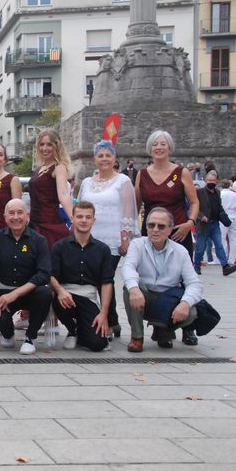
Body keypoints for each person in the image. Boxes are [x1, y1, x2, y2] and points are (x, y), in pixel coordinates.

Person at [78, 140, 139, 339]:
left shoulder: (123, 181)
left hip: (112, 240)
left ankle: (110, 321)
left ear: (114, 158)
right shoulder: (87, 182)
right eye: (100, 156)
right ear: (94, 159)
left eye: (108, 155)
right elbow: (80, 208)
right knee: (93, 280)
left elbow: (128, 210)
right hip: (90, 238)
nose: (104, 159)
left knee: (104, 279)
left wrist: (125, 238)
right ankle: (110, 320)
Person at [122, 207, 203, 352]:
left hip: (167, 300)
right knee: (130, 288)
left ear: (170, 229)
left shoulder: (181, 251)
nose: (155, 230)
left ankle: (164, 330)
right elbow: (128, 267)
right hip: (144, 297)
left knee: (191, 312)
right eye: (151, 225)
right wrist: (134, 289)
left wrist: (185, 303)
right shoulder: (137, 244)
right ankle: (137, 336)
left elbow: (194, 283)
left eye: (161, 226)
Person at [0, 199, 52, 355]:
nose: (16, 217)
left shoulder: (39, 240)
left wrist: (15, 294)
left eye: (20, 213)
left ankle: (30, 337)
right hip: (2, 292)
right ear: (5, 217)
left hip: (29, 291)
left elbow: (44, 274)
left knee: (44, 294)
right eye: (11, 213)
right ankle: (8, 334)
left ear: (27, 216)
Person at [50, 201, 113, 352]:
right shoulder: (60, 246)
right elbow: (50, 275)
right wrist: (60, 291)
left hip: (88, 298)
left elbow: (107, 283)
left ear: (94, 220)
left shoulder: (103, 249)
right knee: (51, 297)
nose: (84, 220)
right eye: (79, 216)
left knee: (97, 344)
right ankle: (72, 330)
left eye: (88, 217)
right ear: (72, 218)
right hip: (65, 296)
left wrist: (103, 313)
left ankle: (81, 331)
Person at [135, 130, 199, 258]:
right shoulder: (142, 175)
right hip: (152, 232)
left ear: (169, 147)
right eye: (155, 144)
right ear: (150, 148)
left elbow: (194, 202)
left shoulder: (181, 173)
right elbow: (135, 206)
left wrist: (190, 223)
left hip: (178, 232)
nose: (159, 147)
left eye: (163, 144)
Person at [29, 129, 73, 248]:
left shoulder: (59, 167)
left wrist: (74, 219)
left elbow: (64, 194)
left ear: (56, 146)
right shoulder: (39, 168)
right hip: (34, 223)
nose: (45, 148)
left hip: (49, 223)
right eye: (42, 144)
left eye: (49, 144)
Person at [194, 170, 236, 276]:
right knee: (200, 247)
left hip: (215, 224)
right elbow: (194, 207)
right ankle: (196, 267)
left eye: (213, 180)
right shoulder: (199, 192)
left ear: (217, 181)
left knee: (219, 245)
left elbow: (219, 207)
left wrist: (226, 220)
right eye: (209, 180)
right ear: (205, 180)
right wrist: (201, 216)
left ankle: (225, 266)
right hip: (203, 224)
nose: (211, 182)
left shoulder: (217, 192)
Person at [219, 179, 236, 265]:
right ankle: (232, 259)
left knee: (222, 237)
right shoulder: (235, 194)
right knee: (233, 238)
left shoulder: (221, 194)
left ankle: (224, 257)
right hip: (234, 215)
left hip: (224, 216)